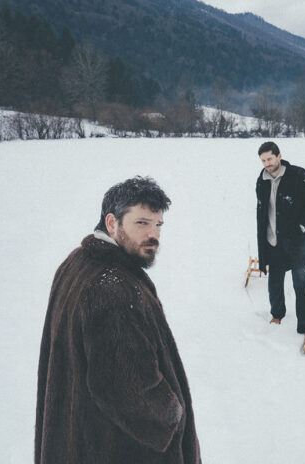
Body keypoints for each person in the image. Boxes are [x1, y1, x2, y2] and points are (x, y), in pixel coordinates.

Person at [35, 176, 201, 464]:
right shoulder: (113, 291)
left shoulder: (77, 262)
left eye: (158, 225)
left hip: (77, 441)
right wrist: (171, 415)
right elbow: (127, 389)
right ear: (112, 223)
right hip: (115, 450)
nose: (153, 235)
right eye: (142, 223)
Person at [255, 141, 305, 354]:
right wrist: (263, 243)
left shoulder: (298, 175)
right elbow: (262, 213)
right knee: (275, 282)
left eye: (270, 158)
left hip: (296, 242)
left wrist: (301, 227)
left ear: (279, 156)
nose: (267, 163)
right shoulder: (262, 180)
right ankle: (277, 315)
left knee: (300, 282)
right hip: (273, 241)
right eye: (263, 160)